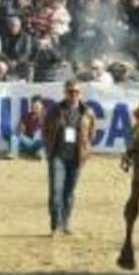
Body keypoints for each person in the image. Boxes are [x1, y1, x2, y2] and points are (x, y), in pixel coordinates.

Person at [43, 80, 95, 235]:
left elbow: (92, 132)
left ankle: (65, 223)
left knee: (69, 192)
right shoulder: (54, 110)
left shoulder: (87, 112)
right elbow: (45, 130)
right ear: (65, 93)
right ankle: (55, 225)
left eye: (76, 92)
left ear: (80, 94)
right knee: (55, 192)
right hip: (57, 155)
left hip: (76, 157)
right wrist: (50, 148)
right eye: (70, 91)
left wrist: (85, 149)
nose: (73, 94)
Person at [8, 95, 46, 159]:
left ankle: (40, 153)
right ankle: (13, 153)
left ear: (42, 106)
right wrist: (21, 129)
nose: (35, 107)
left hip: (40, 143)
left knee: (43, 138)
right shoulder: (26, 116)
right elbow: (19, 131)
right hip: (29, 142)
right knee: (14, 136)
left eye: (37, 106)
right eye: (34, 105)